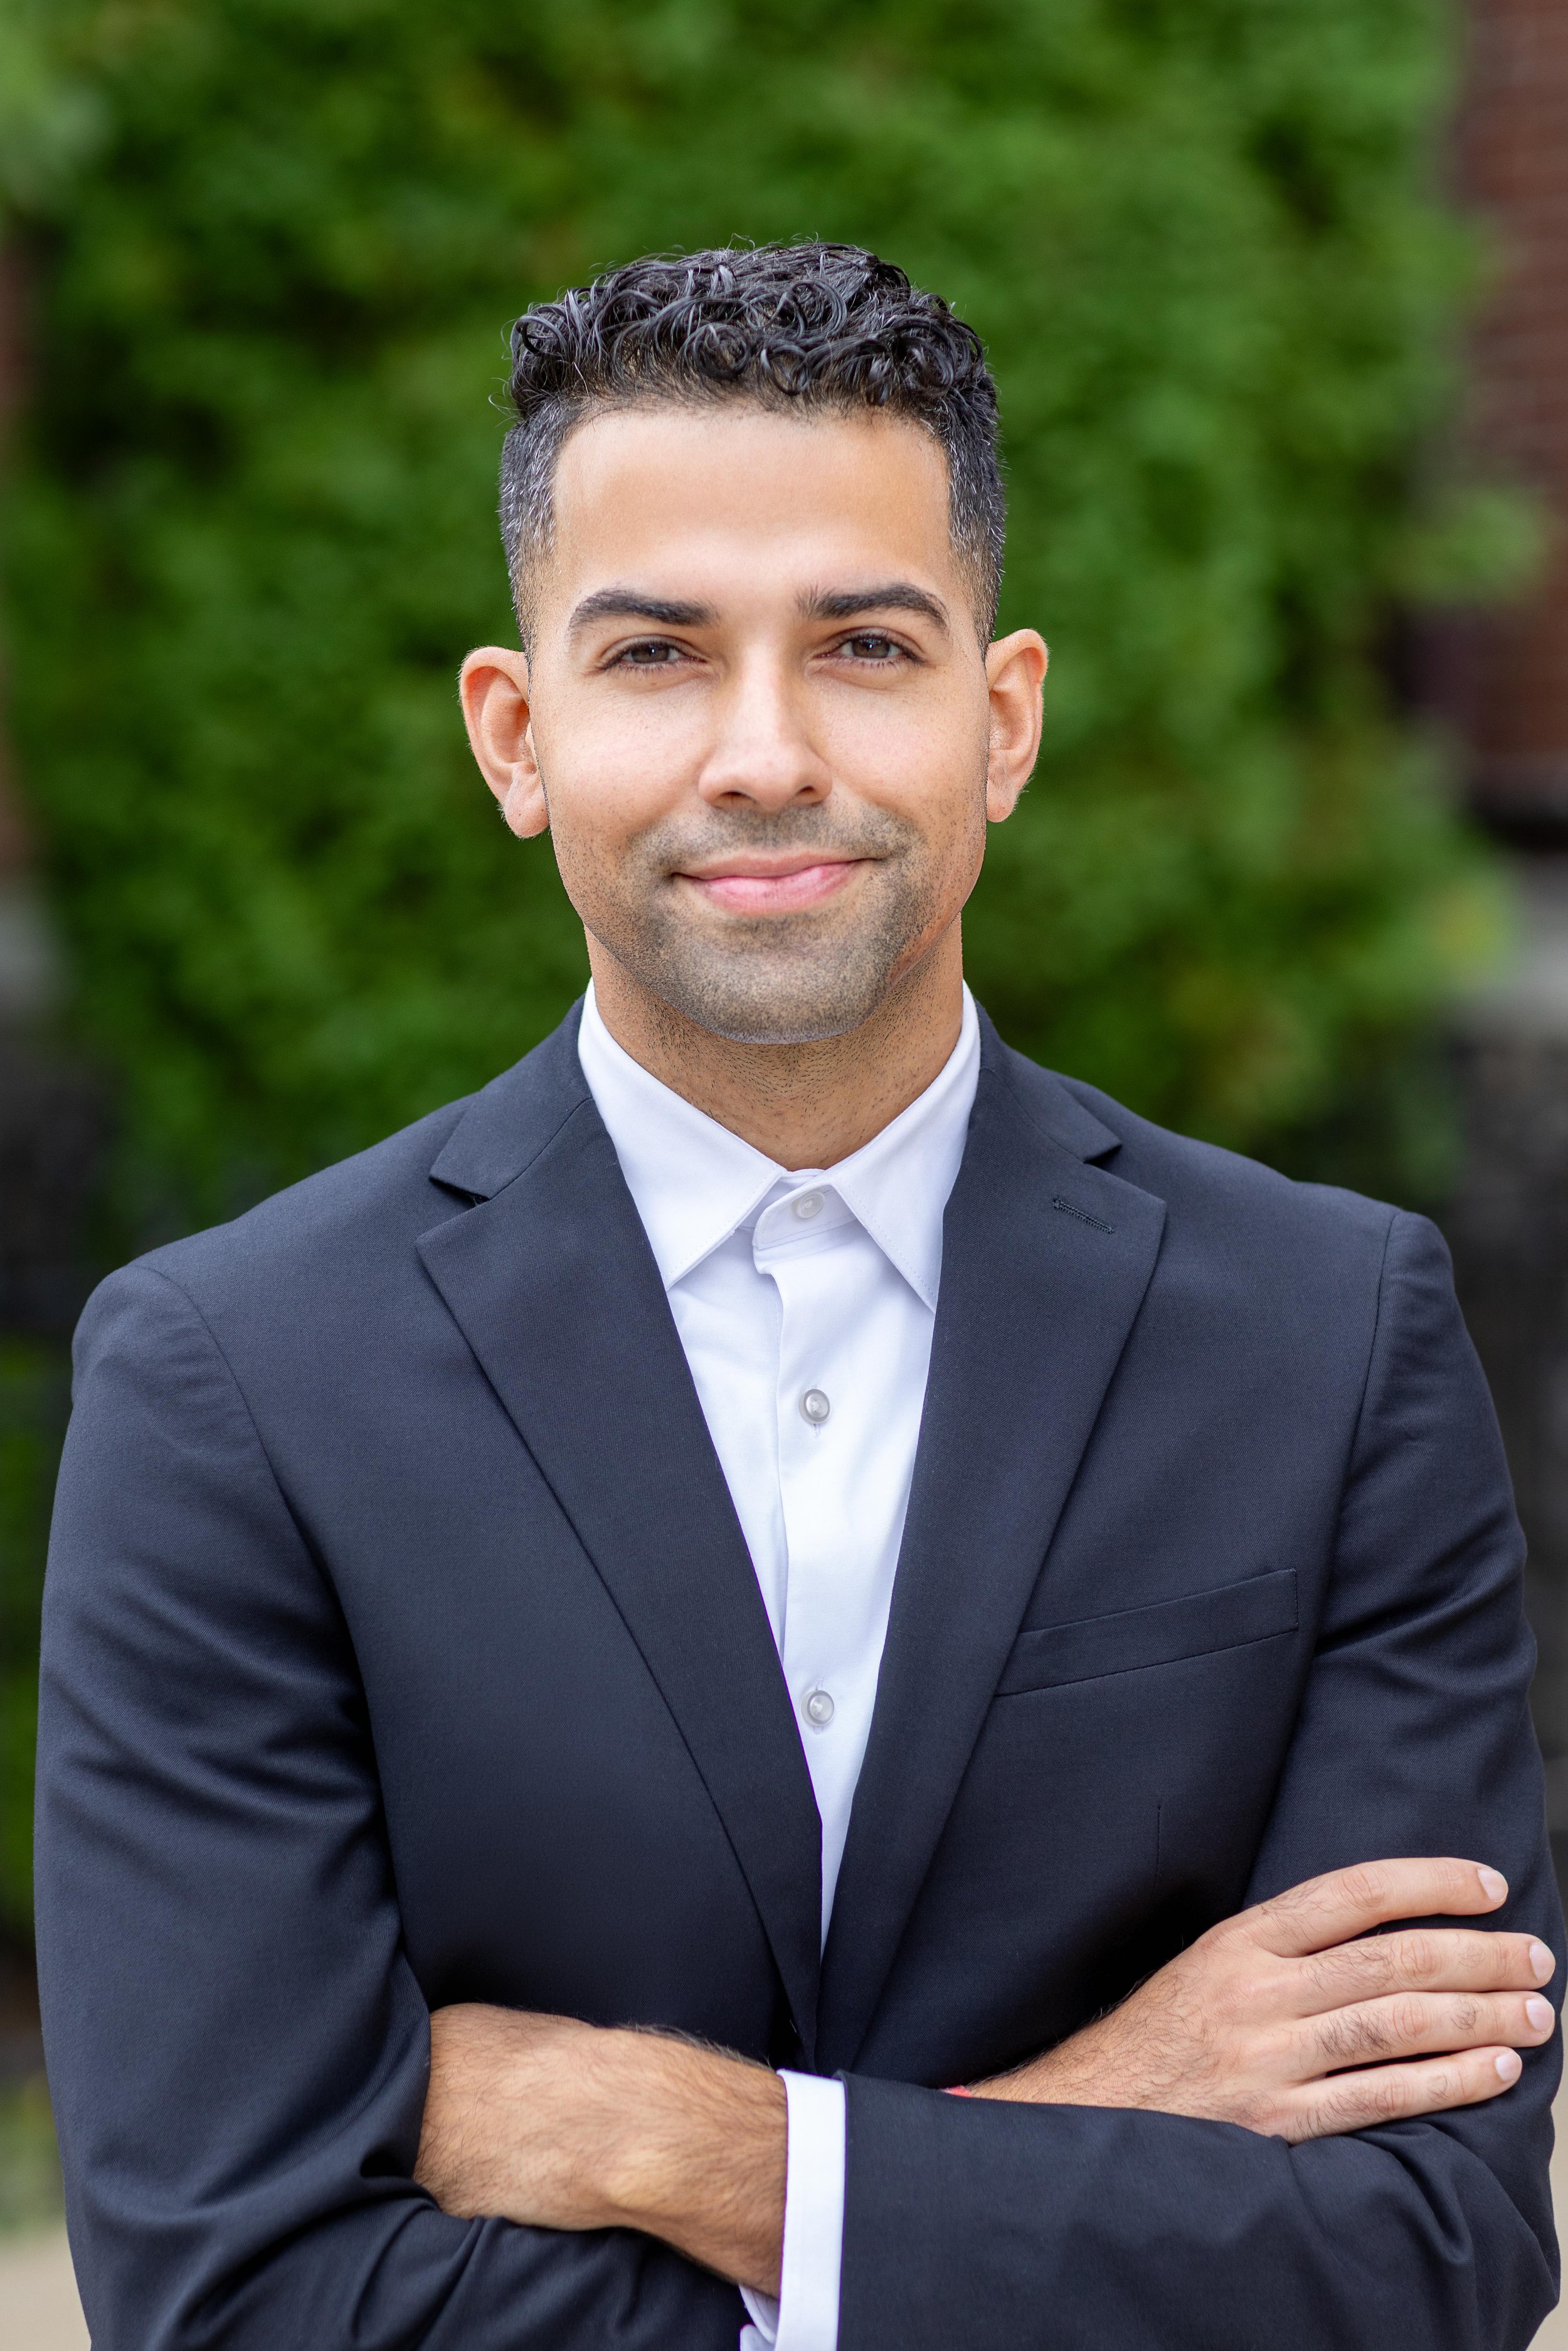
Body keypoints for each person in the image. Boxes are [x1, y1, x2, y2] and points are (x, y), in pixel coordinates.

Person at [34, 243, 1562, 2351]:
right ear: (515, 734)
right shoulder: (234, 1386)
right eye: (656, 653)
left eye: (861, 644)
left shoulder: (1329, 1334)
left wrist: (700, 2151)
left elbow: (1426, 2259)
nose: (763, 754)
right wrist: (1079, 2119)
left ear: (1000, 718)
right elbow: (240, 2302)